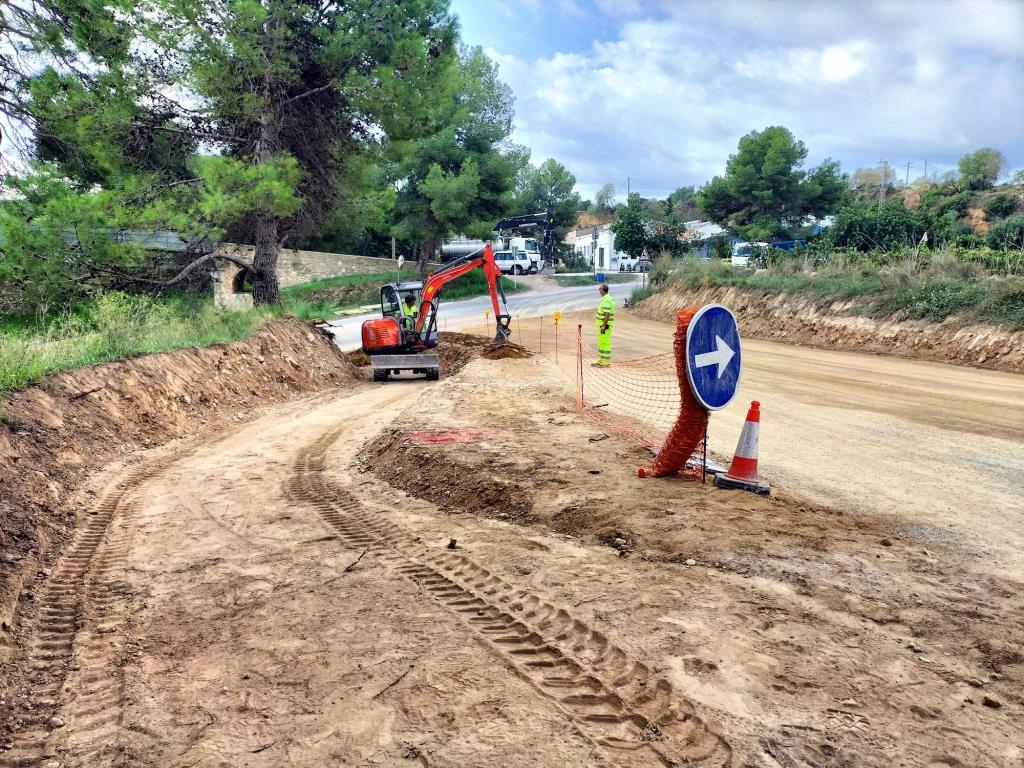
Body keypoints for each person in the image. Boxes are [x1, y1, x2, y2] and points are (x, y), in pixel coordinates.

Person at [594, 283, 615, 367]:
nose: (599, 290)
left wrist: (603, 325)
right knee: (601, 342)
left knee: (605, 342)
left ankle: (605, 361)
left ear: (603, 290)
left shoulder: (607, 300)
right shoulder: (606, 298)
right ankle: (602, 359)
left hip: (605, 326)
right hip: (602, 325)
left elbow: (607, 314)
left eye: (599, 289)